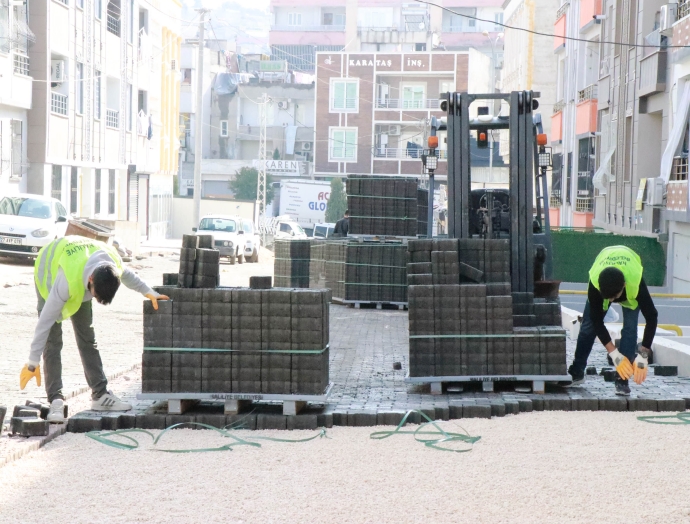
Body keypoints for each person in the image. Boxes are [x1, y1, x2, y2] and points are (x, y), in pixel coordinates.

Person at [20, 236, 169, 423]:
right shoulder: (66, 281)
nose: (91, 297)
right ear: (91, 279)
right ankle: (55, 401)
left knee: (87, 338)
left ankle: (100, 395)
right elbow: (44, 322)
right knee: (53, 341)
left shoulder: (111, 263)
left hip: (80, 273)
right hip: (50, 274)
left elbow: (128, 276)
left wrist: (150, 292)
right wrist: (32, 362)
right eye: (94, 294)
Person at [567, 245, 658, 396]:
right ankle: (577, 372)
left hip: (629, 268)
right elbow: (597, 322)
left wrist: (643, 356)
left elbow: (652, 317)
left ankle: (622, 380)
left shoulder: (635, 282)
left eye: (613, 297)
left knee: (630, 329)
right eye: (607, 298)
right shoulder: (595, 283)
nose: (610, 301)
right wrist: (614, 354)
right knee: (588, 327)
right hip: (604, 262)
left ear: (623, 286)